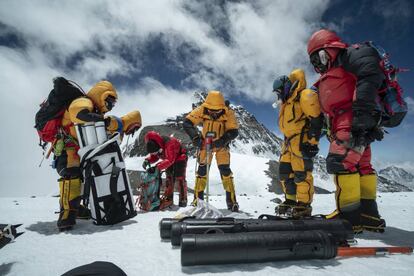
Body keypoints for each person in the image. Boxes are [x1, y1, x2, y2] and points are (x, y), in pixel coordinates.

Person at [307, 29, 386, 232]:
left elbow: (369, 73)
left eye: (318, 58)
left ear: (329, 50)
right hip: (352, 122)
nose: (317, 65)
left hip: (351, 121)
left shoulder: (351, 55)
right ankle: (368, 215)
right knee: (361, 167)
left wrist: (361, 116)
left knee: (339, 163)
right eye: (314, 62)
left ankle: (349, 219)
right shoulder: (338, 69)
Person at [55, 80, 141, 230]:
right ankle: (67, 213)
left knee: (88, 178)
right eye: (109, 101)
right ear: (101, 96)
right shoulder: (83, 102)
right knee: (72, 175)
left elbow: (116, 123)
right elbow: (78, 111)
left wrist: (131, 122)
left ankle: (79, 209)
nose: (110, 106)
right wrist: (99, 119)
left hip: (85, 152)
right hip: (68, 150)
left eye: (113, 104)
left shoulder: (97, 113)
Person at [272, 69, 323, 218]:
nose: (278, 96)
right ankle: (290, 201)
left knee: (302, 175)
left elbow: (316, 119)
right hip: (288, 144)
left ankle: (304, 205)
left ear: (286, 88)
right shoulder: (287, 103)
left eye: (278, 92)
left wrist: (312, 142)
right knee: (285, 173)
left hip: (302, 143)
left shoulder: (304, 96)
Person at [183, 90, 239, 212]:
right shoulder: (202, 109)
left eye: (217, 111)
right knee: (202, 172)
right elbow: (187, 123)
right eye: (210, 110)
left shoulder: (228, 112)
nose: (213, 113)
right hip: (205, 144)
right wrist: (195, 137)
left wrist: (223, 140)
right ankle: (198, 200)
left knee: (225, 172)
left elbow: (234, 131)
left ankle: (232, 202)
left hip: (221, 146)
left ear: (222, 107)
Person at [142, 131, 188, 209]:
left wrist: (157, 167)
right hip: (170, 158)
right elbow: (155, 156)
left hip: (180, 157)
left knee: (180, 178)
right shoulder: (156, 144)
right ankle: (169, 198)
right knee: (169, 177)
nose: (154, 153)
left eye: (155, 152)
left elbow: (170, 160)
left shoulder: (169, 143)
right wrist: (148, 160)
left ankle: (183, 199)